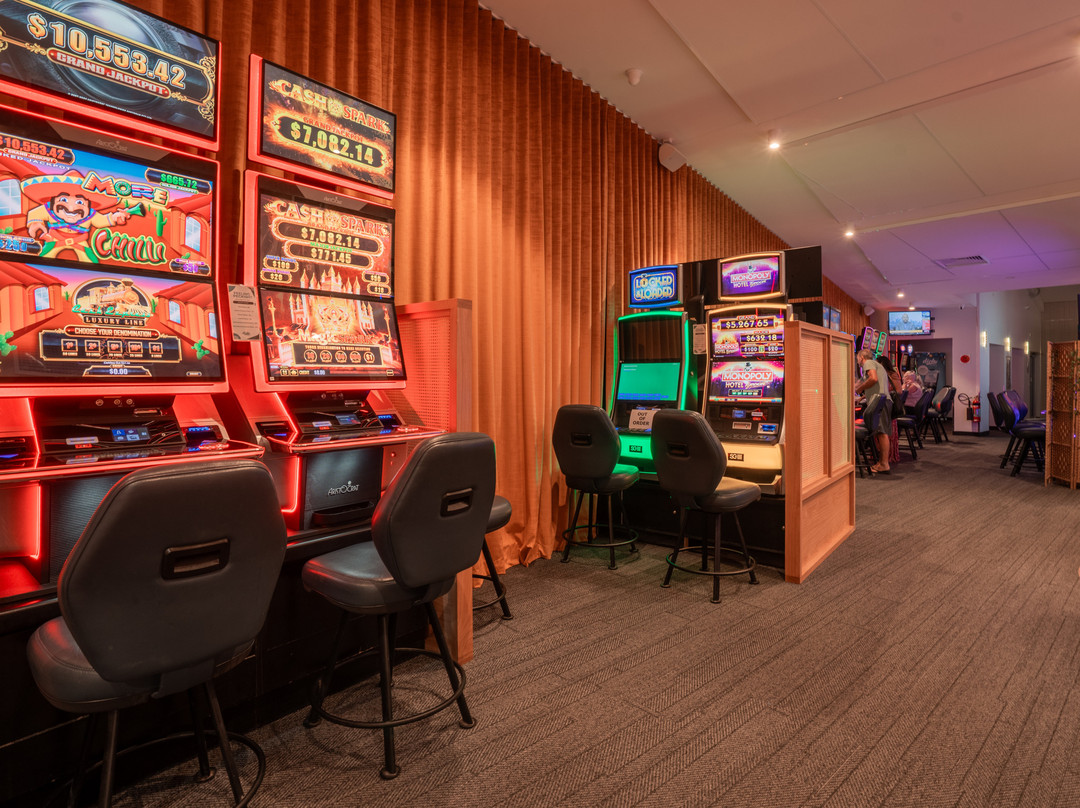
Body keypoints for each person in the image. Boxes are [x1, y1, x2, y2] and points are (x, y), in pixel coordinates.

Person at [855, 348, 890, 473]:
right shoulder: (876, 364)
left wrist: (859, 389)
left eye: (857, 358)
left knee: (881, 432)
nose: (857, 361)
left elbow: (873, 379)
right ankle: (881, 462)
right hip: (882, 400)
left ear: (861, 357)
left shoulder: (868, 363)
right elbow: (877, 384)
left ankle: (884, 464)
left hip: (880, 402)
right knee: (880, 432)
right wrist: (863, 396)